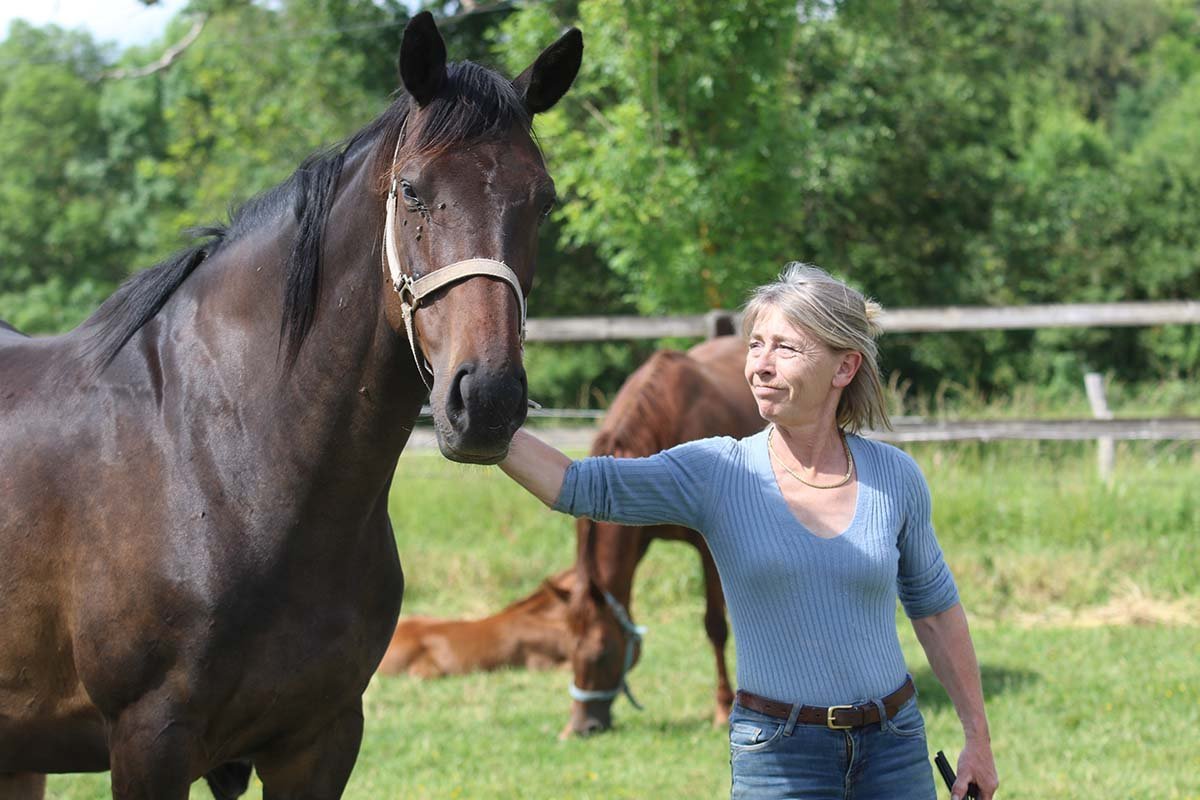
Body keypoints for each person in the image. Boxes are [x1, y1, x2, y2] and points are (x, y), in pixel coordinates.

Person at [499, 262, 998, 800]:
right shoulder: (719, 471)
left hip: (894, 747)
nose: (760, 365)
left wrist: (978, 739)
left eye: (785, 348)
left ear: (844, 367)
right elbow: (578, 485)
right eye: (756, 345)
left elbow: (936, 611)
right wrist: (481, 419)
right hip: (780, 756)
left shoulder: (895, 476)